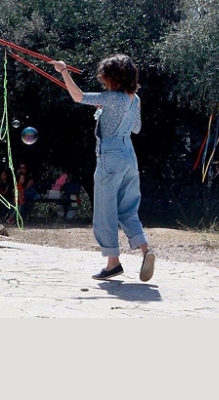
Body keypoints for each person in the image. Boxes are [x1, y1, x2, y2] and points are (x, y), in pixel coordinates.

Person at [50, 54, 155, 282]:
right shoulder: (134, 99)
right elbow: (135, 128)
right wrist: (109, 109)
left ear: (113, 77)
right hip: (129, 155)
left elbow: (78, 97)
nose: (104, 81)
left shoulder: (112, 98)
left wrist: (63, 70)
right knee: (128, 209)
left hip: (110, 155)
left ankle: (112, 263)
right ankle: (146, 249)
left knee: (105, 211)